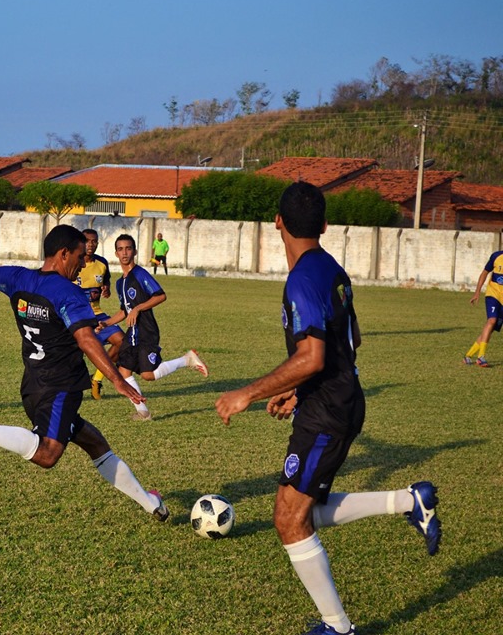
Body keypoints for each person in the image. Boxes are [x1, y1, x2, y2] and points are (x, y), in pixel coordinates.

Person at [214, 182, 441, 635]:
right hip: (332, 400)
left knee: (288, 517)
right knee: (298, 509)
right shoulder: (333, 269)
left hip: (329, 412)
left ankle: (337, 627)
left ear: (276, 222)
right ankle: (408, 501)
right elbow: (350, 341)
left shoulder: (301, 279)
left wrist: (248, 393)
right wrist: (298, 391)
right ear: (324, 225)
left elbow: (313, 357)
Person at [0, 222, 170, 521]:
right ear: (63, 253)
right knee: (47, 454)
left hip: (32, 385)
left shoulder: (18, 277)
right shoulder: (68, 292)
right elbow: (85, 339)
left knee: (94, 442)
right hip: (61, 387)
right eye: (80, 256)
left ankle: (152, 504)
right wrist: (117, 380)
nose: (84, 262)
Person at [98, 234, 207, 421]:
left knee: (149, 375)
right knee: (124, 371)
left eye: (128, 248)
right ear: (116, 253)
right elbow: (125, 310)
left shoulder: (140, 274)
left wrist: (139, 308)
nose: (125, 252)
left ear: (135, 251)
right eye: (121, 249)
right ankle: (143, 413)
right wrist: (106, 323)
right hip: (132, 332)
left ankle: (187, 359)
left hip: (146, 330)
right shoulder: (120, 282)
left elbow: (160, 295)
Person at [75, 228, 123, 400]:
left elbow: (106, 279)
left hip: (98, 315)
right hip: (77, 316)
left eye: (95, 241)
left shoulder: (102, 263)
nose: (91, 244)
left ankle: (96, 379)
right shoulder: (74, 262)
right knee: (74, 353)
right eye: (88, 240)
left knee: (121, 343)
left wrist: (106, 288)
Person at [463, 249, 503, 367]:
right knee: (491, 320)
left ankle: (468, 356)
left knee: (489, 329)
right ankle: (481, 357)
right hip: (493, 295)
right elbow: (484, 273)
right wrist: (477, 292)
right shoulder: (497, 256)